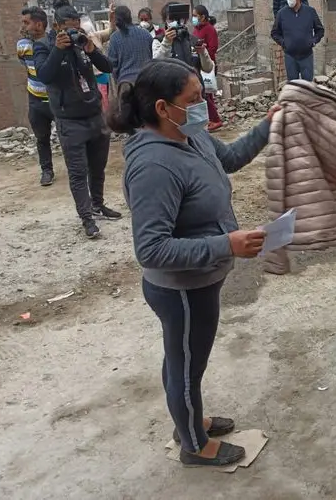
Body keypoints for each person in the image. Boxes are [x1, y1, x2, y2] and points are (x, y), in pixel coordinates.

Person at [108, 58, 281, 467]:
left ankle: (189, 419)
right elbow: (151, 248)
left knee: (184, 359)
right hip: (180, 289)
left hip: (202, 279)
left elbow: (232, 158)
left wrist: (267, 126)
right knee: (186, 366)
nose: (203, 105)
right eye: (194, 99)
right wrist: (227, 244)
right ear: (163, 108)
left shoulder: (191, 136)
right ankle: (193, 445)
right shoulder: (153, 165)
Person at [34, 0, 122, 239]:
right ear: (58, 26)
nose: (75, 32)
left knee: (98, 166)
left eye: (77, 27)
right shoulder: (44, 46)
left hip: (94, 113)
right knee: (77, 171)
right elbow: (44, 75)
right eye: (70, 28)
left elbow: (107, 67)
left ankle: (98, 204)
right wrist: (58, 50)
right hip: (69, 119)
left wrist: (92, 50)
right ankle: (86, 218)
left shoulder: (83, 43)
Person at [18, 7, 55, 186]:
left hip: (55, 97)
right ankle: (46, 170)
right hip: (35, 98)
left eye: (27, 22)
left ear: (39, 24)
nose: (23, 27)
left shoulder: (53, 42)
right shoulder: (22, 45)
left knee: (67, 135)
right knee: (41, 137)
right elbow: (26, 65)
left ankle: (77, 169)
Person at [271, 0, 325, 82]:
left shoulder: (310, 12)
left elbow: (320, 30)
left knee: (307, 86)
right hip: (290, 56)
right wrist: (284, 43)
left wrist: (313, 41)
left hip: (306, 55)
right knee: (293, 86)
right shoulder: (282, 14)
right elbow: (274, 33)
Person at [107, 5, 154, 103]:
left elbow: (112, 66)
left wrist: (118, 81)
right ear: (131, 17)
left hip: (126, 85)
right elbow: (151, 57)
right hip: (146, 82)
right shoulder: (146, 34)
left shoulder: (115, 38)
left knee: (127, 116)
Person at [192, 4, 223, 131]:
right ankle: (211, 119)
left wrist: (202, 52)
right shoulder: (196, 30)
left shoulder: (209, 30)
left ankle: (216, 120)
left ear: (203, 17)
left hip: (207, 66)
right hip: (197, 65)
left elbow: (213, 48)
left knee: (206, 93)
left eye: (195, 16)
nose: (193, 18)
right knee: (207, 94)